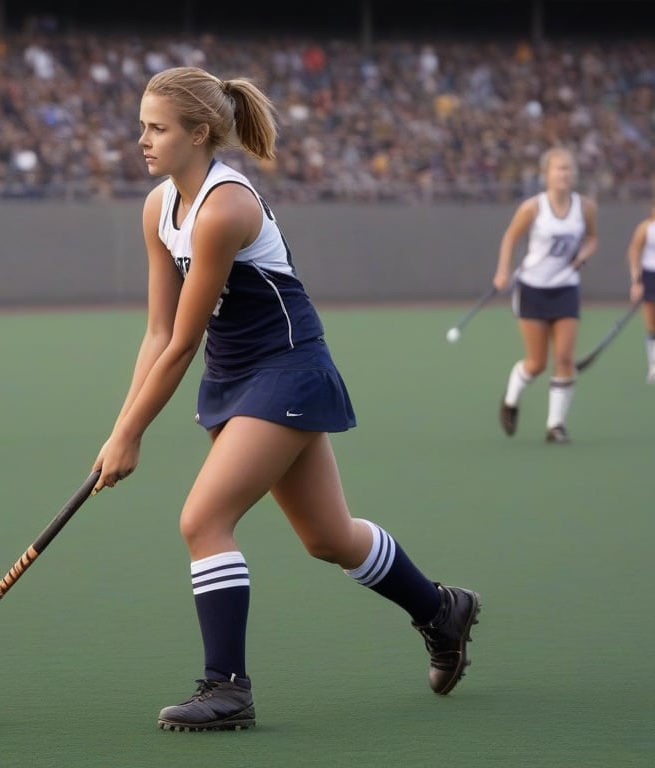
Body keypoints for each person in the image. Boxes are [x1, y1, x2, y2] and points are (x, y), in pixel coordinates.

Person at [90, 66, 481, 732]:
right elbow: (156, 332)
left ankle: (228, 688)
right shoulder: (159, 208)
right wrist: (121, 423)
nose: (143, 141)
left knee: (202, 520)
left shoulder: (224, 209)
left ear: (200, 132)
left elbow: (182, 342)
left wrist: (131, 435)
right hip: (236, 375)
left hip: (289, 370)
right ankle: (441, 609)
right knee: (328, 538)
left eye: (156, 129)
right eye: (141, 127)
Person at [494, 147, 598, 443]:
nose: (564, 174)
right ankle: (511, 398)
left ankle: (556, 425)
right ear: (546, 175)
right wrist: (503, 271)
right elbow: (511, 237)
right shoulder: (533, 208)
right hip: (533, 288)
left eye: (568, 168)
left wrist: (583, 256)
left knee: (564, 357)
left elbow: (592, 237)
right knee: (537, 362)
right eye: (558, 169)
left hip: (565, 287)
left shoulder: (586, 207)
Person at [625, 201, 655, 383]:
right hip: (650, 276)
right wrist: (636, 281)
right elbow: (634, 252)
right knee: (652, 323)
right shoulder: (646, 228)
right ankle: (654, 364)